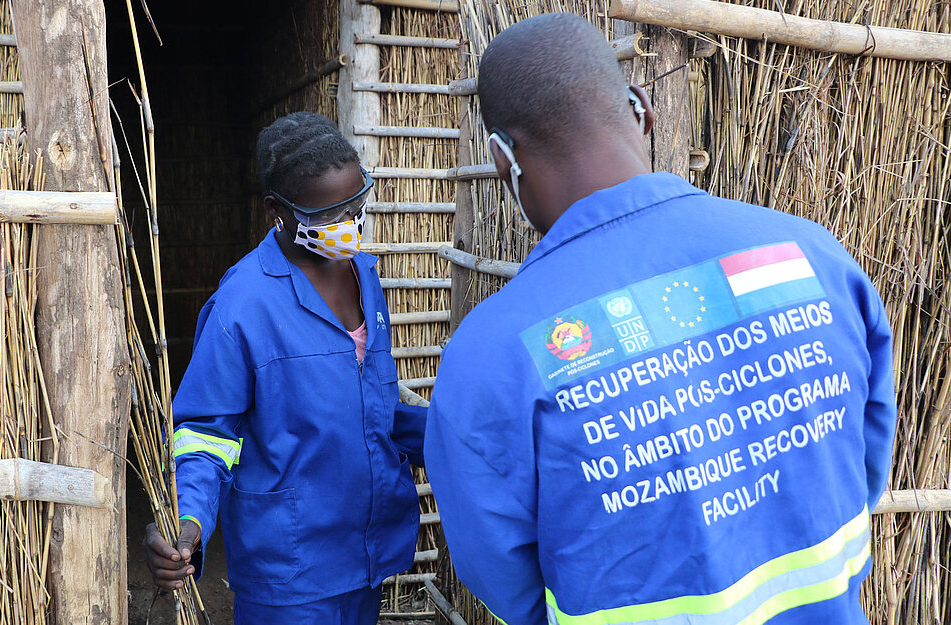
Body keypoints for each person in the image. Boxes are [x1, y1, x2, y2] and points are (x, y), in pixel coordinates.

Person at [424, 13, 895, 625]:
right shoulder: (812, 257)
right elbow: (865, 460)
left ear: (501, 162)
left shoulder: (488, 358)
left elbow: (505, 579)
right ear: (642, 108)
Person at [144, 112, 426, 625]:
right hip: (290, 570)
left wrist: (449, 432)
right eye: (326, 218)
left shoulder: (363, 272)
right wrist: (189, 520)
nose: (347, 227)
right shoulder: (243, 305)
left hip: (364, 555)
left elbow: (369, 405)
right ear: (277, 210)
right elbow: (207, 431)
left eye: (356, 207)